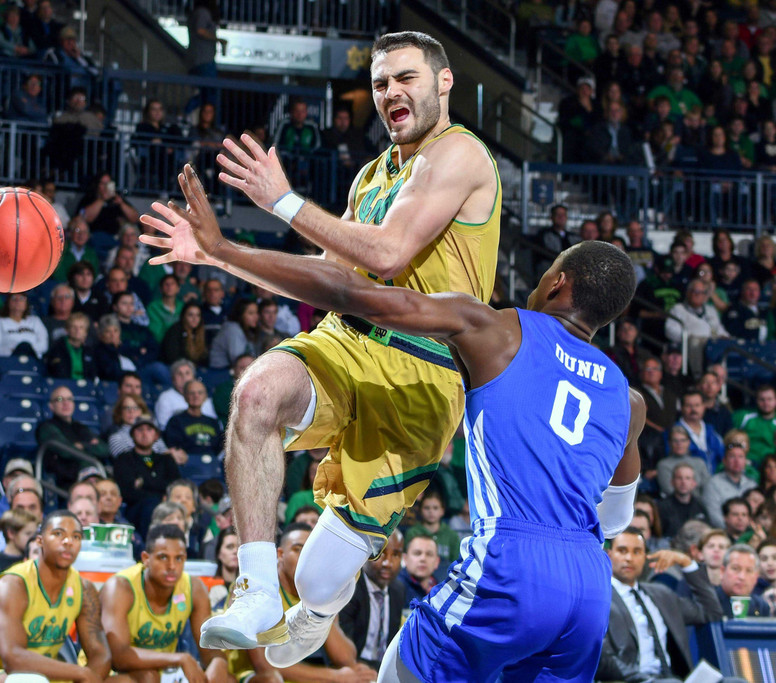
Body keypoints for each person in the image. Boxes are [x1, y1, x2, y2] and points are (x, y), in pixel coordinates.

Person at [142, 167, 642, 679]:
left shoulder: (500, 331)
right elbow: (614, 520)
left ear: (556, 282)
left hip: (514, 562)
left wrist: (225, 251)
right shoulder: (630, 400)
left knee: (397, 672)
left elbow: (359, 296)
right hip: (588, 585)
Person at [143, 31, 503, 656]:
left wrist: (282, 200)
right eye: (380, 83)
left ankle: (317, 609)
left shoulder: (462, 155)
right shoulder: (370, 175)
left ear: (444, 83)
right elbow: (333, 273)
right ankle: (254, 587)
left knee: (316, 577)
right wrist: (220, 254)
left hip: (422, 374)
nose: (391, 92)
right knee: (255, 394)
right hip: (346, 340)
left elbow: (389, 255)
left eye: (406, 78)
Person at [0, 510, 111, 682]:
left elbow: (100, 654)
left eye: (76, 537)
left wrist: (89, 678)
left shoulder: (84, 589)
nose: (68, 541)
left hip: (41, 673)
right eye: (58, 534)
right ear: (39, 540)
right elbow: (13, 660)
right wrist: (81, 673)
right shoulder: (12, 586)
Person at [226, 523, 375, 683]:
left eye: (311, 554)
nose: (305, 559)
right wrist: (335, 676)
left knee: (364, 675)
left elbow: (345, 659)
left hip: (305, 675)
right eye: (298, 550)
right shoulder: (256, 587)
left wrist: (321, 607)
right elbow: (265, 664)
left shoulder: (318, 590)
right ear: (280, 554)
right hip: (249, 676)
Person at [100, 523, 228, 683]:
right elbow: (119, 657)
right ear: (146, 559)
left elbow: (208, 650)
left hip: (164, 672)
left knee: (226, 679)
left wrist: (219, 662)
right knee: (148, 677)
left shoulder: (194, 588)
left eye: (179, 558)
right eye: (163, 557)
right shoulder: (120, 587)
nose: (172, 566)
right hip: (108, 674)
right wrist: (179, 659)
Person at [597, 528, 724, 681]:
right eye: (622, 551)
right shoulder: (600, 598)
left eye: (637, 552)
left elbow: (710, 612)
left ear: (645, 557)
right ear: (609, 555)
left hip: (673, 678)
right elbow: (602, 658)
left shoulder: (662, 595)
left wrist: (686, 563)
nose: (629, 558)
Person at [338, 529, 407, 671]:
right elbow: (340, 651)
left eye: (395, 554)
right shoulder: (349, 588)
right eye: (381, 553)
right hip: (352, 668)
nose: (388, 563)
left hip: (383, 669)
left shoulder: (398, 590)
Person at [715, 544, 771, 617]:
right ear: (722, 571)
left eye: (749, 571)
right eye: (735, 569)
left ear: (756, 577)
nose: (742, 577)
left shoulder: (761, 607)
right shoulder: (707, 603)